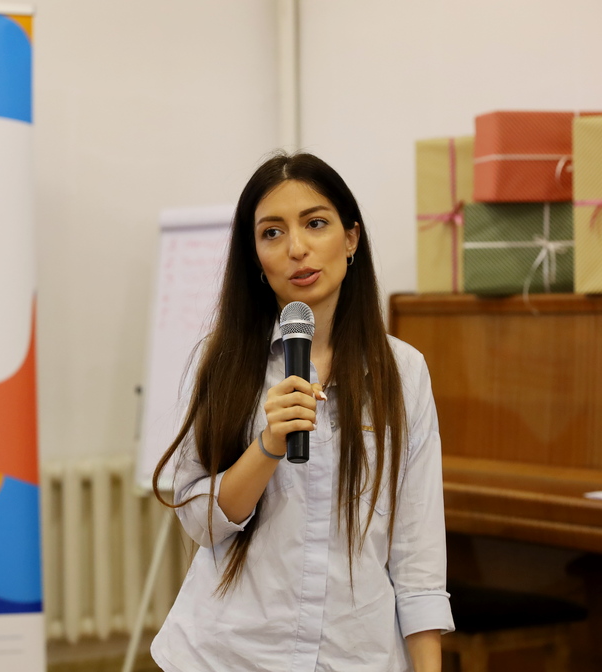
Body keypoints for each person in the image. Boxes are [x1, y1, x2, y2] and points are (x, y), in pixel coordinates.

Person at [151, 152, 454, 672]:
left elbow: (418, 554)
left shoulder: (403, 373)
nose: (297, 248)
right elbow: (201, 522)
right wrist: (269, 444)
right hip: (231, 654)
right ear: (255, 258)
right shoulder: (219, 362)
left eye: (316, 223)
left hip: (355, 655)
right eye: (272, 233)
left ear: (351, 238)